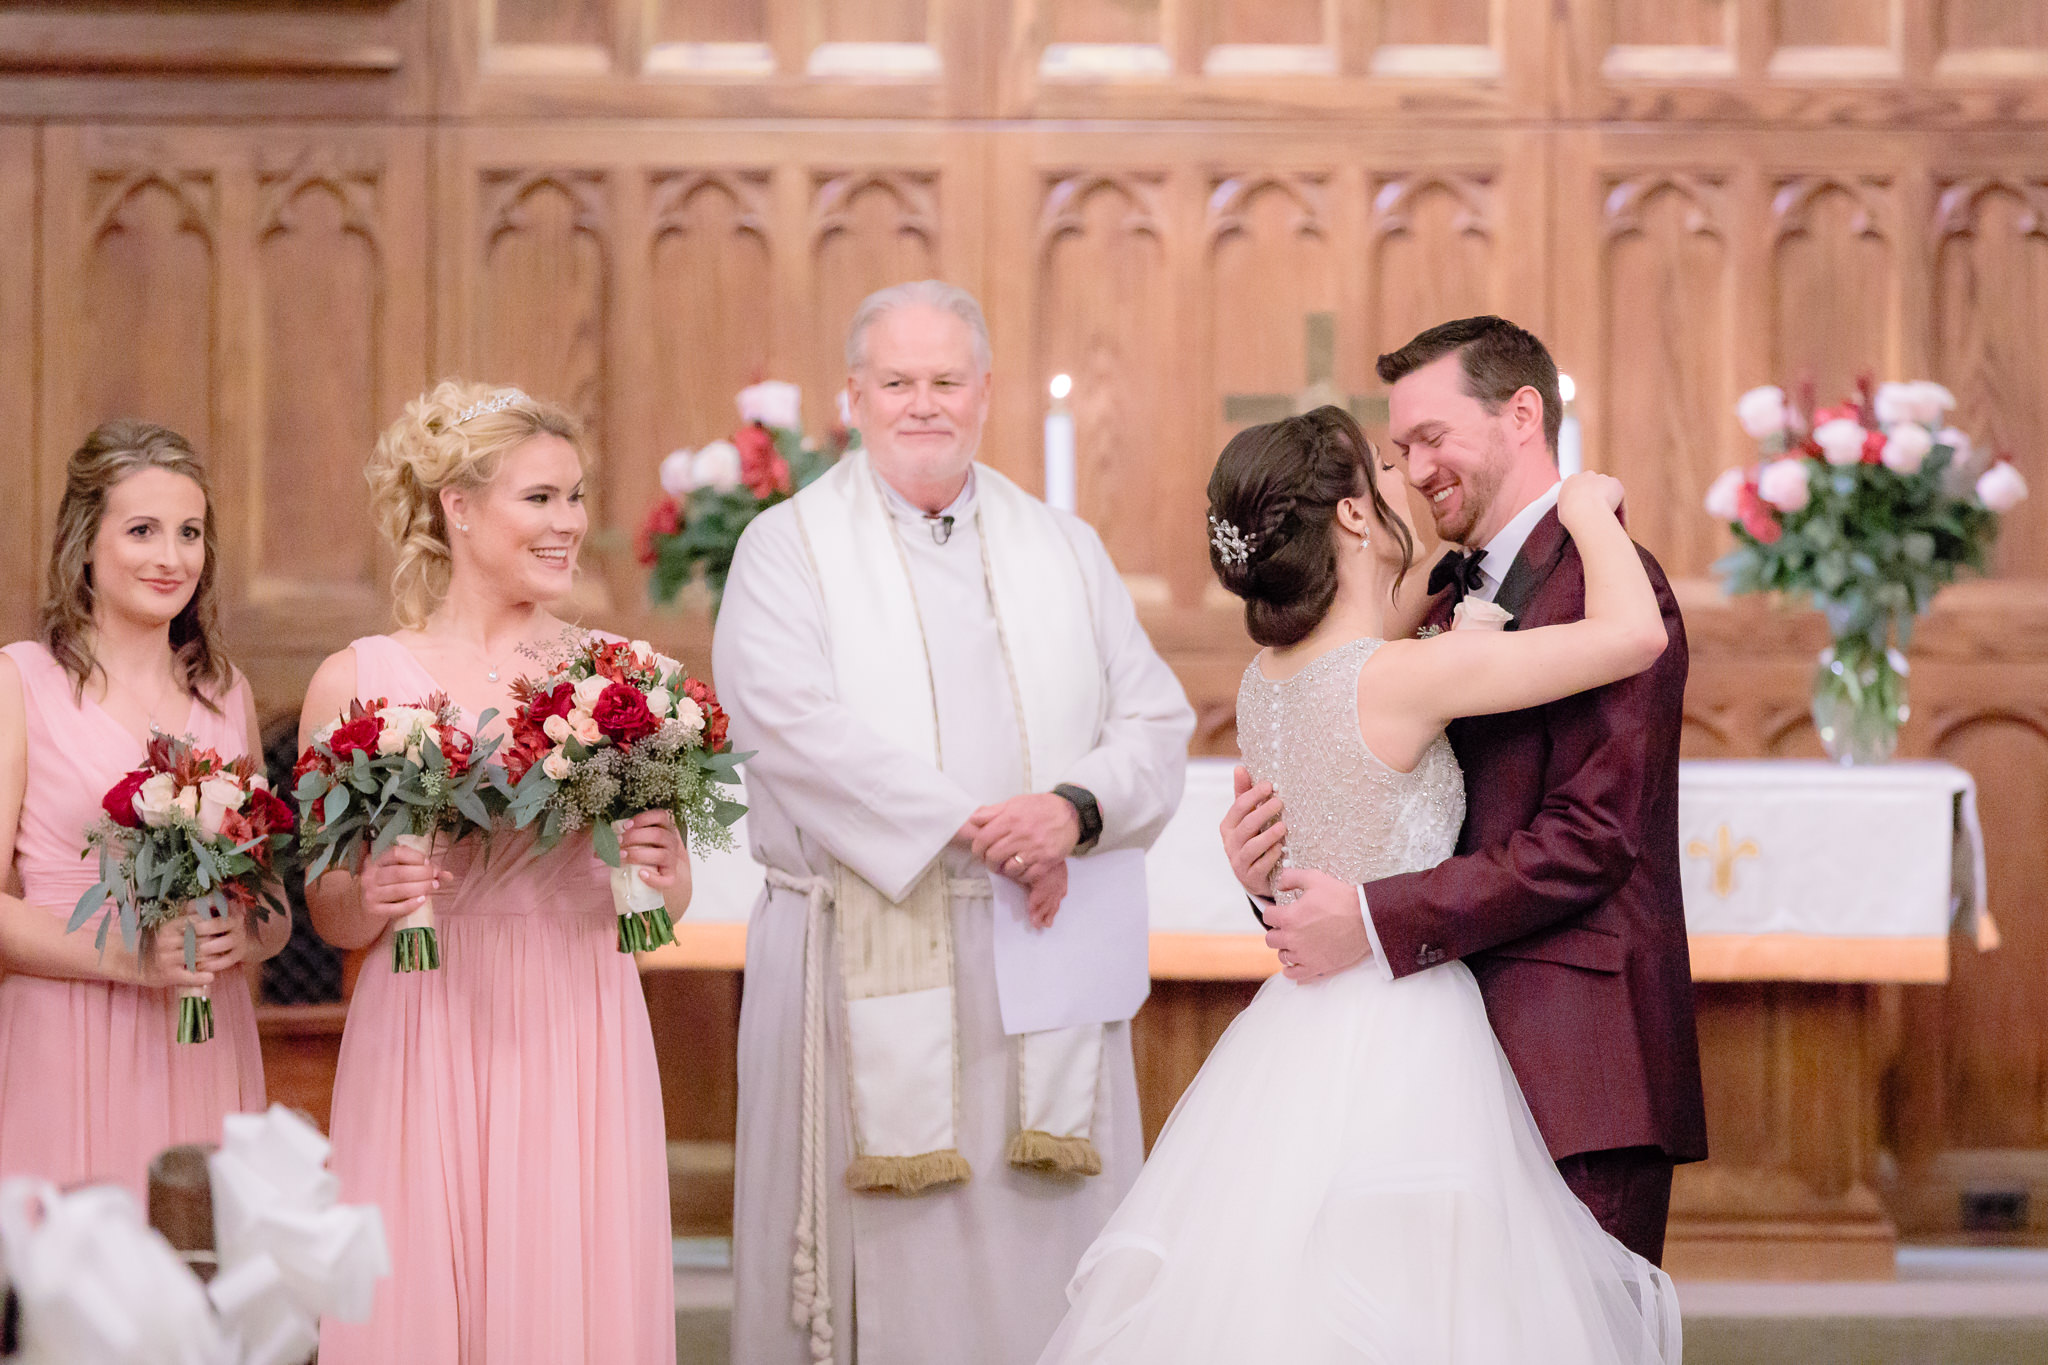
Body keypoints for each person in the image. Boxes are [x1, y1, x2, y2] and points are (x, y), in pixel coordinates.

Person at [1041, 405, 1681, 1363]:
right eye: (1384, 469)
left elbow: (1355, 671)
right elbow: (1632, 638)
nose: (1404, 481)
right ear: (1348, 516)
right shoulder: (1402, 677)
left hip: (1295, 1027)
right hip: (1410, 1027)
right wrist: (1589, 507)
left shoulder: (1269, 676)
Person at [715, 280, 1195, 1365]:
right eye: (896, 382)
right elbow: (787, 724)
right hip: (859, 940)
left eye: (944, 381)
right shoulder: (788, 549)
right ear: (852, 397)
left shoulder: (1062, 548)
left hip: (1044, 936)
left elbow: (1154, 718)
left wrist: (1070, 812)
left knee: (1047, 1255)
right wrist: (983, 827)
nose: (920, 404)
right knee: (890, 1265)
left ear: (985, 394)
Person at [1224, 317, 1707, 1261]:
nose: (1410, 467)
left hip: (1577, 1059)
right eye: (1398, 448)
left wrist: (1368, 917)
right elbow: (1376, 807)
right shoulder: (1435, 602)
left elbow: (1591, 836)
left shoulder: (1608, 580)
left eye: (1431, 437)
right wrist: (1270, 877)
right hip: (1437, 1064)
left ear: (1522, 413)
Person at [306, 381, 684, 1365]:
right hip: (423, 1019)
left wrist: (663, 863)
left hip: (575, 1018)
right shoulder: (356, 680)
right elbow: (330, 911)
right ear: (458, 507)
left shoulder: (623, 676)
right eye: (540, 499)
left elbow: (668, 896)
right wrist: (374, 893)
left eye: (575, 498)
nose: (569, 524)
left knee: (568, 1295)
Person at [0, 420, 284, 1196]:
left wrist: (238, 932)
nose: (171, 556)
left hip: (202, 1044)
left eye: (189, 532)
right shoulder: (19, 684)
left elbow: (274, 907)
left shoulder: (225, 695)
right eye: (143, 530)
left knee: (195, 1285)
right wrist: (136, 959)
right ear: (84, 542)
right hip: (64, 1041)